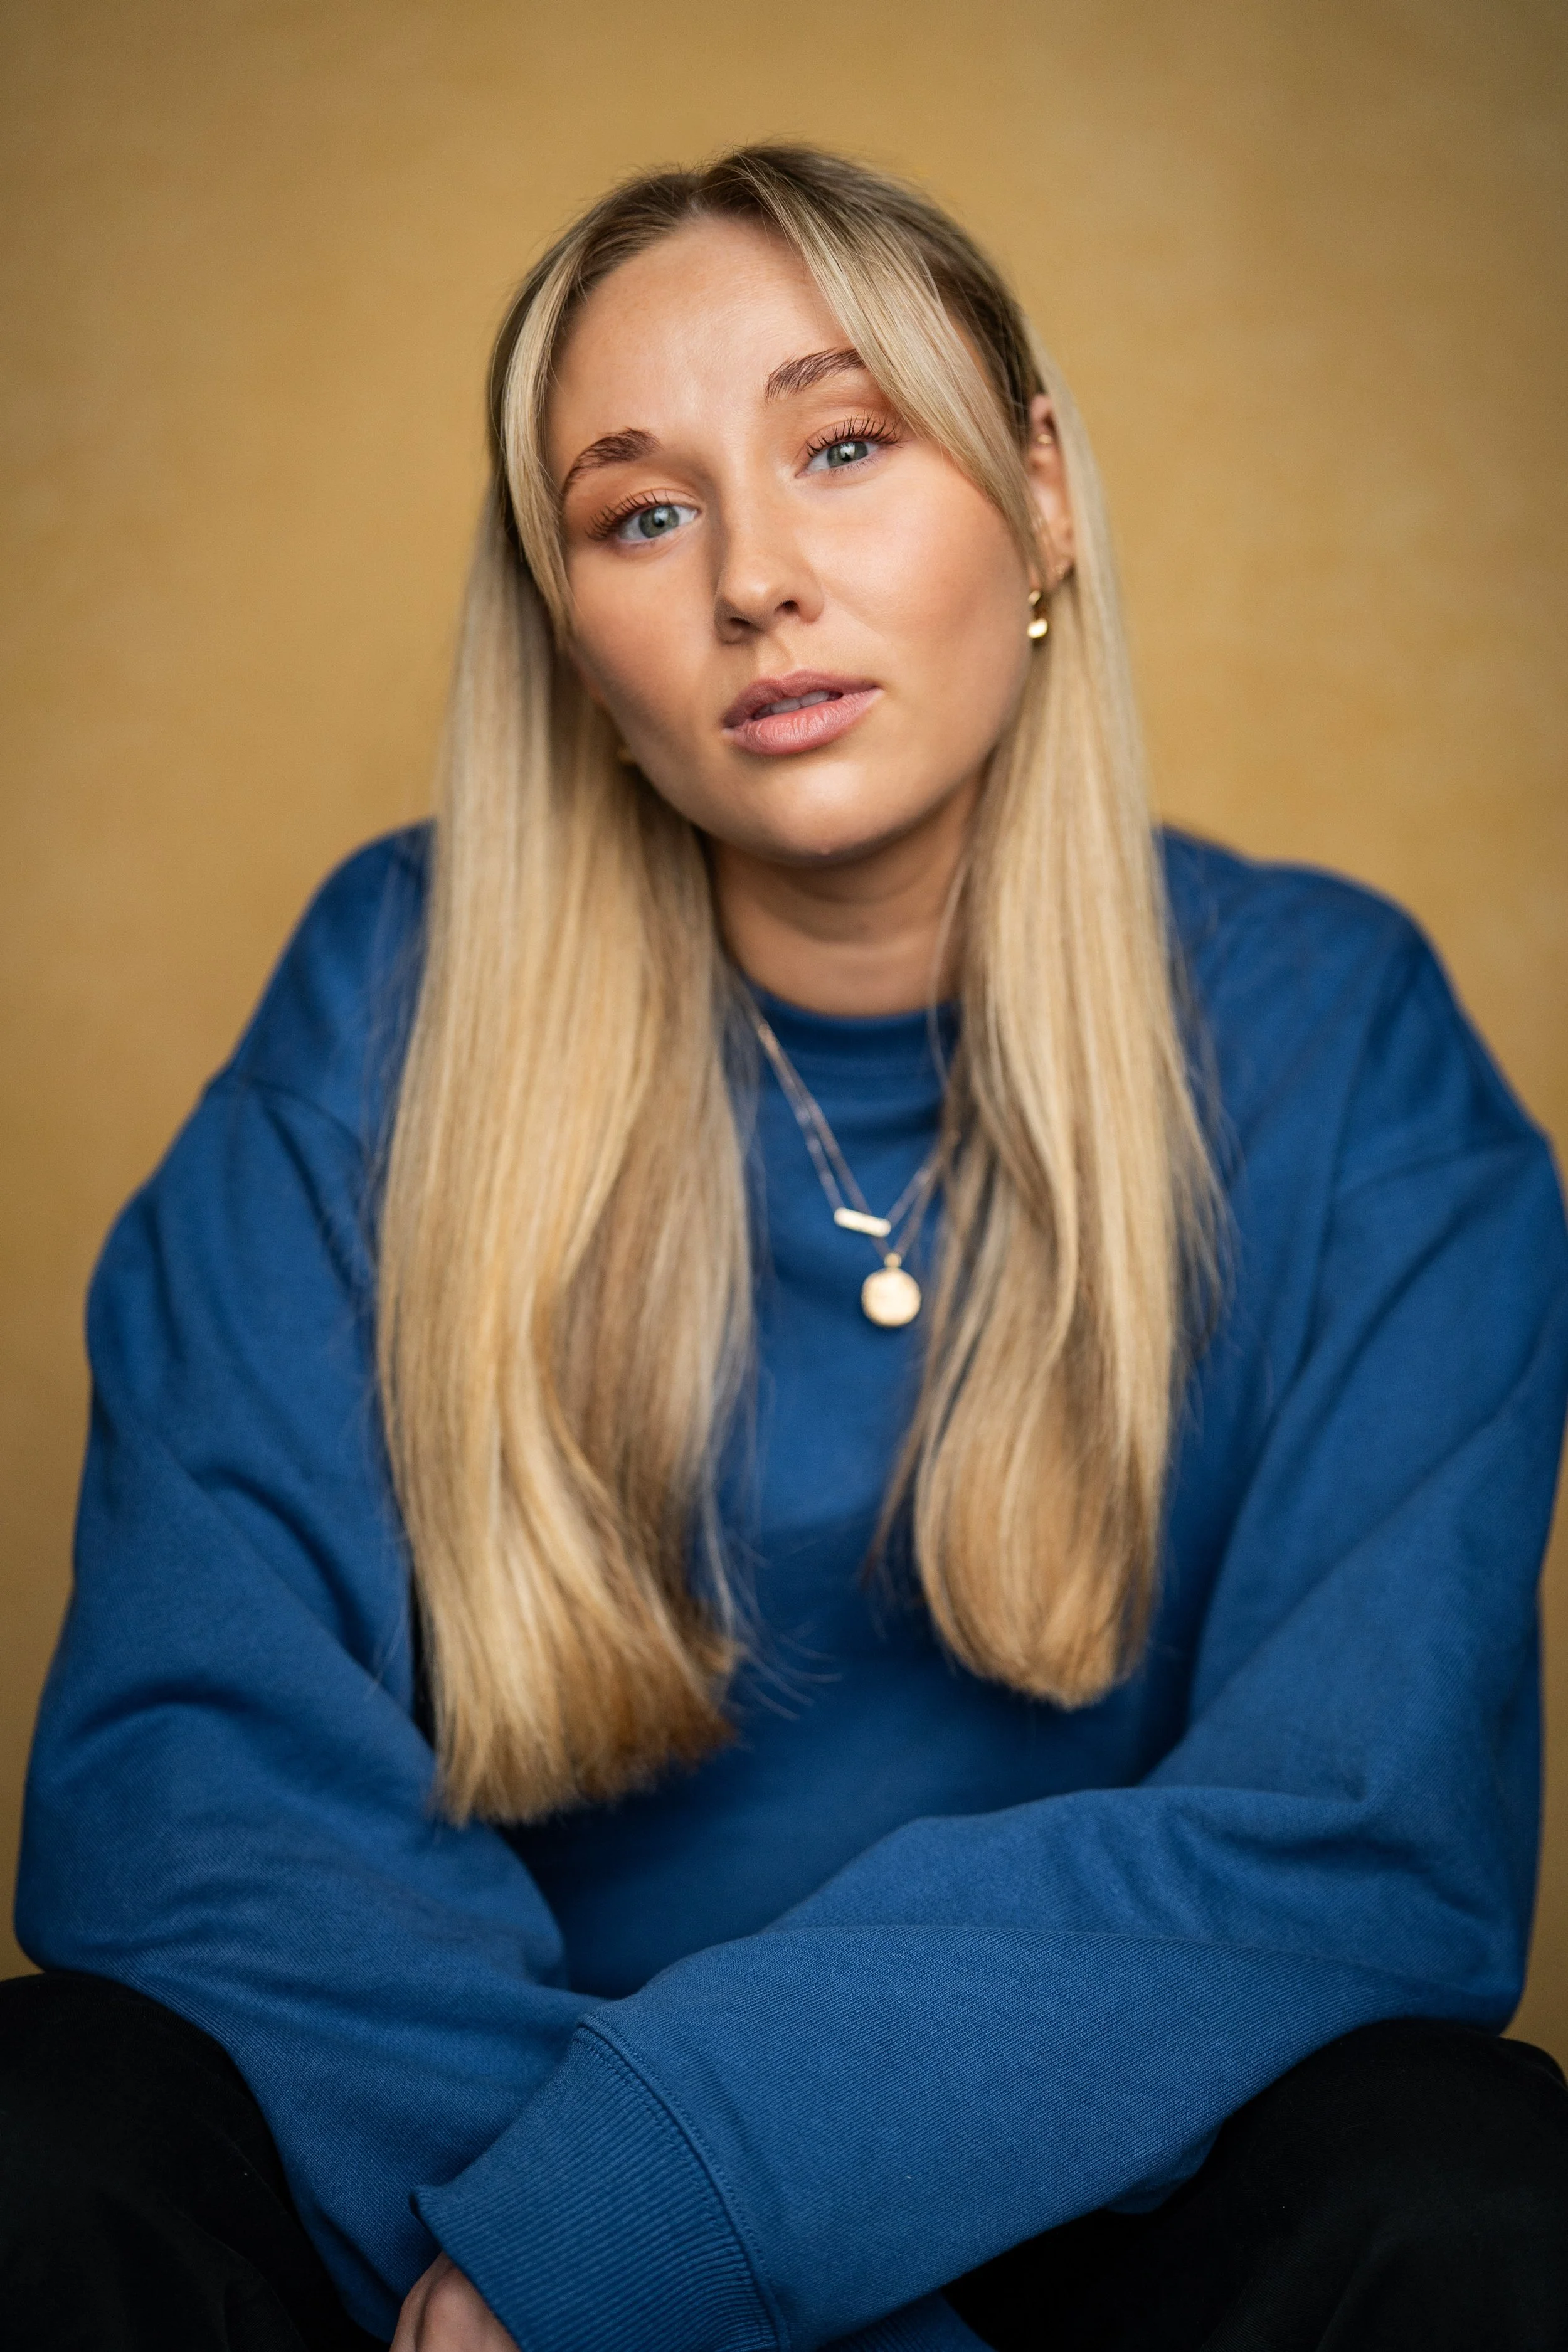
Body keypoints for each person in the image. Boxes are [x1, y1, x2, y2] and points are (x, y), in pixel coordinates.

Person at [4, 142, 1567, 2352]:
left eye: (844, 446)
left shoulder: (1344, 1056)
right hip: (464, 2194)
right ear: (574, 630)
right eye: (644, 511)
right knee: (46, 2121)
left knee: (1472, 2179)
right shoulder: (388, 1003)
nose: (756, 578)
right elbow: (188, 1783)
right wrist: (589, 2238)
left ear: (1035, 495)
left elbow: (1353, 1827)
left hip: (1082, 2201)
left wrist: (686, 2217)